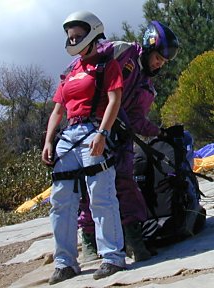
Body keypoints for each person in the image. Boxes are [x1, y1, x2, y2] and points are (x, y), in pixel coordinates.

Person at [77, 21, 179, 262]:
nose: (159, 64)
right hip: (92, 127)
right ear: (149, 45)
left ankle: (134, 242)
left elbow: (136, 120)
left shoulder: (147, 88)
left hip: (120, 139)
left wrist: (158, 132)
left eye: (163, 63)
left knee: (126, 185)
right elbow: (83, 68)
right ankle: (90, 242)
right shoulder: (120, 51)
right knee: (88, 187)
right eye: (158, 58)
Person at [42, 11, 126, 285]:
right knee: (61, 201)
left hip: (93, 131)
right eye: (70, 37)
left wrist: (103, 132)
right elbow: (58, 110)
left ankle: (112, 257)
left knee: (100, 194)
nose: (73, 40)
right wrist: (48, 141)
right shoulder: (68, 72)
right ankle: (65, 263)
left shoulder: (106, 65)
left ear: (93, 33)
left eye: (78, 36)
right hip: (69, 138)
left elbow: (114, 100)